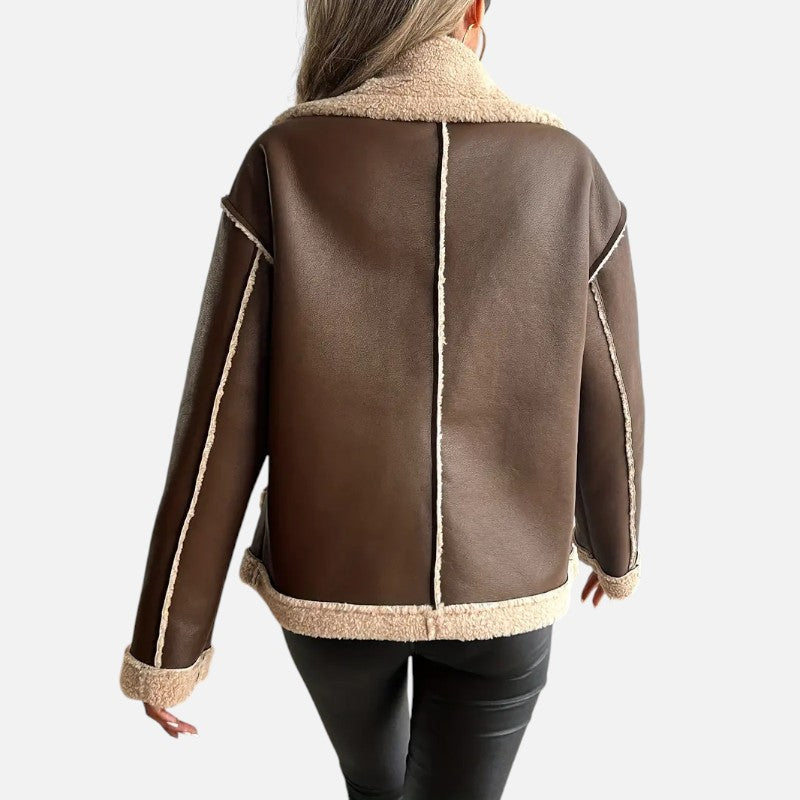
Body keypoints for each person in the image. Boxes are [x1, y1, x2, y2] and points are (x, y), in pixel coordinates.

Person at [119, 1, 645, 797]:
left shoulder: (285, 160)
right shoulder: (568, 168)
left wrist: (168, 646)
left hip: (331, 592)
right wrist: (615, 547)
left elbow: (218, 417)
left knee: (374, 787)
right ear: (473, 11)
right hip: (505, 596)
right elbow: (616, 396)